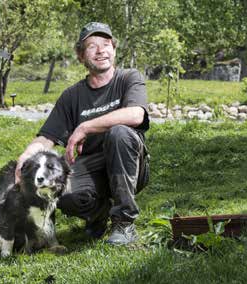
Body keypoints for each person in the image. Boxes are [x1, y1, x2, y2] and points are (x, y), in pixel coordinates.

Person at [15, 22, 149, 245]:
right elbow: (46, 138)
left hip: (131, 164)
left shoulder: (128, 78)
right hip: (91, 167)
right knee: (64, 192)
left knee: (118, 133)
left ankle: (124, 223)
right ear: (80, 56)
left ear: (114, 49)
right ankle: (99, 215)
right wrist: (25, 159)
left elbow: (136, 114)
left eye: (106, 44)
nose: (101, 51)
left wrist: (85, 126)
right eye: (92, 46)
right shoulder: (72, 96)